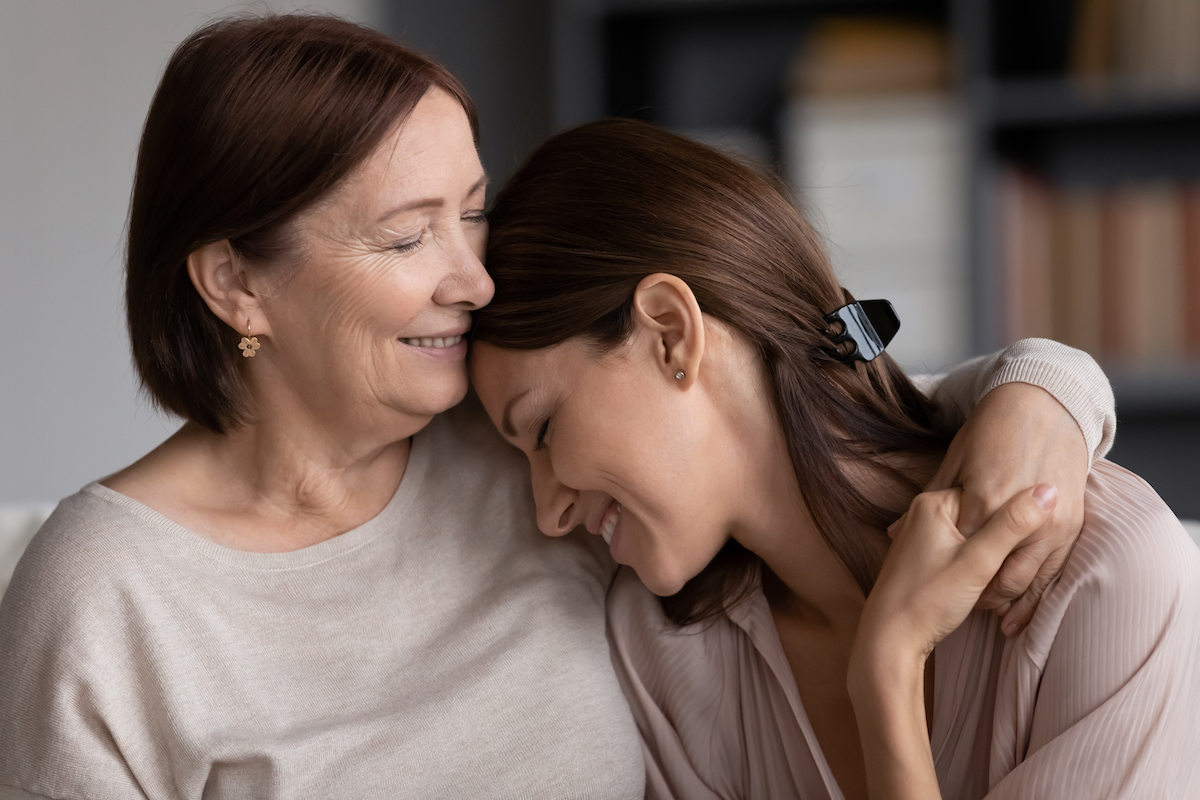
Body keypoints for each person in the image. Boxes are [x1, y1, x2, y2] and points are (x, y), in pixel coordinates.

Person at [0, 13, 1116, 799]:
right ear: (236, 283)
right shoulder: (105, 595)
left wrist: (1048, 388)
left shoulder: (517, 447)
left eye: (471, 213)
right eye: (407, 235)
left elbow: (806, 407)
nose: (475, 280)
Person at [469, 118, 1200, 799]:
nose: (547, 512)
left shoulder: (1107, 580)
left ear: (669, 333)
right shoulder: (664, 654)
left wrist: (886, 674)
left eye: (543, 431)